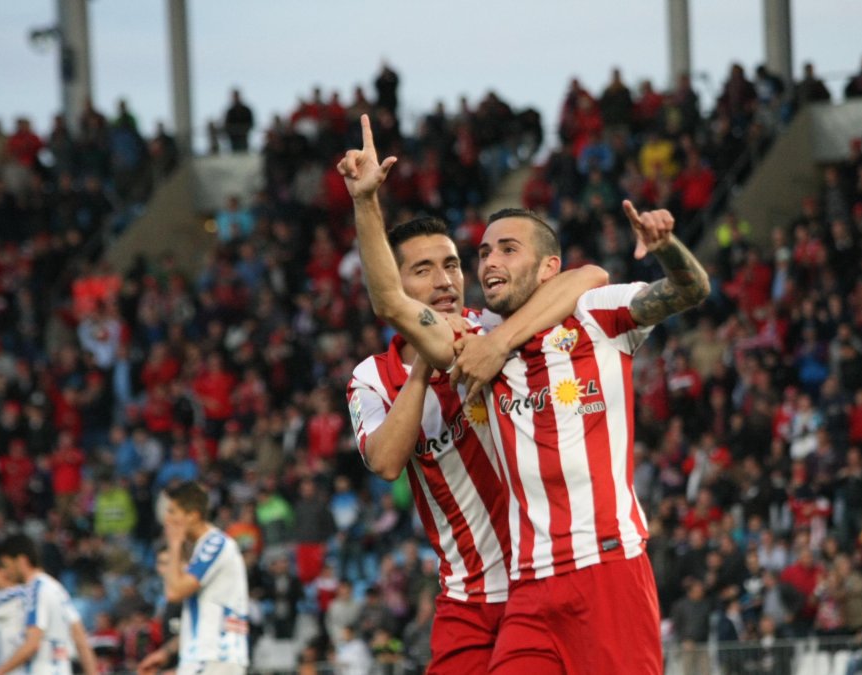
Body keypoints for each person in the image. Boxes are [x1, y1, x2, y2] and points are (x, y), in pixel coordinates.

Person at [339, 114, 711, 673]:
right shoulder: (461, 341)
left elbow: (600, 275)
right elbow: (389, 302)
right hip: (512, 588)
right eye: (483, 253)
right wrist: (366, 201)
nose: (481, 265)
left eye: (500, 251)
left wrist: (668, 247)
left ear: (544, 265)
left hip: (602, 561)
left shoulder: (568, 320)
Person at [139, 481, 249, 674]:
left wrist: (174, 544)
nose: (167, 518)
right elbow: (204, 613)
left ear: (193, 516)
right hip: (204, 657)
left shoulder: (215, 544)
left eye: (173, 511)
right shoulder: (202, 549)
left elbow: (174, 592)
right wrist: (165, 652)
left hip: (215, 656)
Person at [0, 534, 98, 675]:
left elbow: (32, 644)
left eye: (7, 565)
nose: (6, 572)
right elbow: (81, 640)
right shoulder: (56, 588)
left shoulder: (35, 591)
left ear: (21, 561)